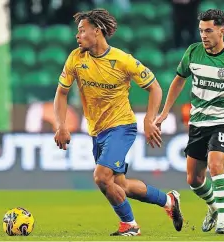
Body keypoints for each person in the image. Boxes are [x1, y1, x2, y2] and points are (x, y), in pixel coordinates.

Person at [53, 9, 183, 236]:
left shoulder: (122, 60)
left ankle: (130, 225)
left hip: (122, 126)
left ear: (97, 30)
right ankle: (168, 201)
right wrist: (61, 125)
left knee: (101, 177)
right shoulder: (76, 58)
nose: (77, 36)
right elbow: (61, 93)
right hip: (97, 130)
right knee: (120, 186)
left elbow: (155, 88)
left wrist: (149, 120)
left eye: (82, 31)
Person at [155, 9, 224, 234]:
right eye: (201, 30)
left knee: (216, 165)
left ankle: (223, 222)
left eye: (208, 31)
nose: (204, 35)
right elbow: (178, 81)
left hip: (222, 123)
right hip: (197, 124)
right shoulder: (193, 52)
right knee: (194, 179)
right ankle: (213, 208)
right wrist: (164, 112)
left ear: (222, 31)